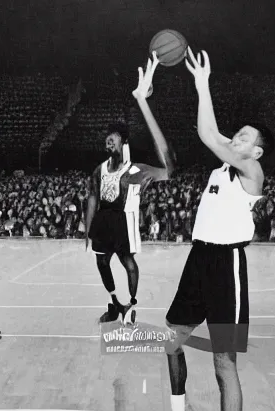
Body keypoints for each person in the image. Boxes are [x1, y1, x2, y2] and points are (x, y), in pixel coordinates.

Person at [155, 48, 274, 411]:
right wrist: (202, 85)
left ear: (255, 150)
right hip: (199, 261)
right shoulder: (223, 166)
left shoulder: (252, 170)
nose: (236, 137)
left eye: (244, 135)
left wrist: (202, 82)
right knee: (171, 341)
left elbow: (208, 132)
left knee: (224, 364)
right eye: (236, 134)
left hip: (228, 268)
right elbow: (209, 132)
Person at [86, 52, 175, 324]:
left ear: (123, 142)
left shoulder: (135, 170)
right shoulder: (99, 169)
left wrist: (143, 103)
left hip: (125, 219)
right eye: (106, 140)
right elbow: (91, 197)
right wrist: (88, 229)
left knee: (128, 263)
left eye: (113, 139)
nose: (107, 142)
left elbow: (169, 169)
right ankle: (115, 303)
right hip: (103, 219)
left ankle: (132, 304)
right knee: (101, 262)